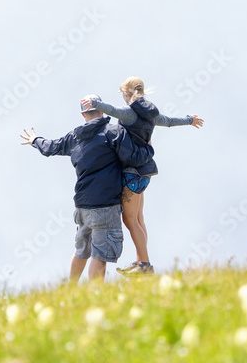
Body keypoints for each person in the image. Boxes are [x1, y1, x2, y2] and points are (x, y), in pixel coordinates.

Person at [20, 97, 155, 283]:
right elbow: (133, 158)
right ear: (101, 110)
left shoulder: (74, 136)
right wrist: (149, 150)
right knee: (99, 256)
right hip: (106, 206)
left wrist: (35, 139)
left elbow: (51, 147)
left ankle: (70, 290)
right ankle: (96, 296)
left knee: (81, 252)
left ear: (83, 114)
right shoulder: (114, 132)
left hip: (82, 207)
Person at [81, 77, 204, 276]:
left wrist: (95, 104)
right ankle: (141, 261)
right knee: (138, 218)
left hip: (131, 173)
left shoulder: (129, 113)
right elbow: (170, 122)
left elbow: (111, 110)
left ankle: (145, 266)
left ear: (126, 93)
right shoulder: (151, 114)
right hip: (144, 171)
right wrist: (190, 120)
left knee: (130, 221)